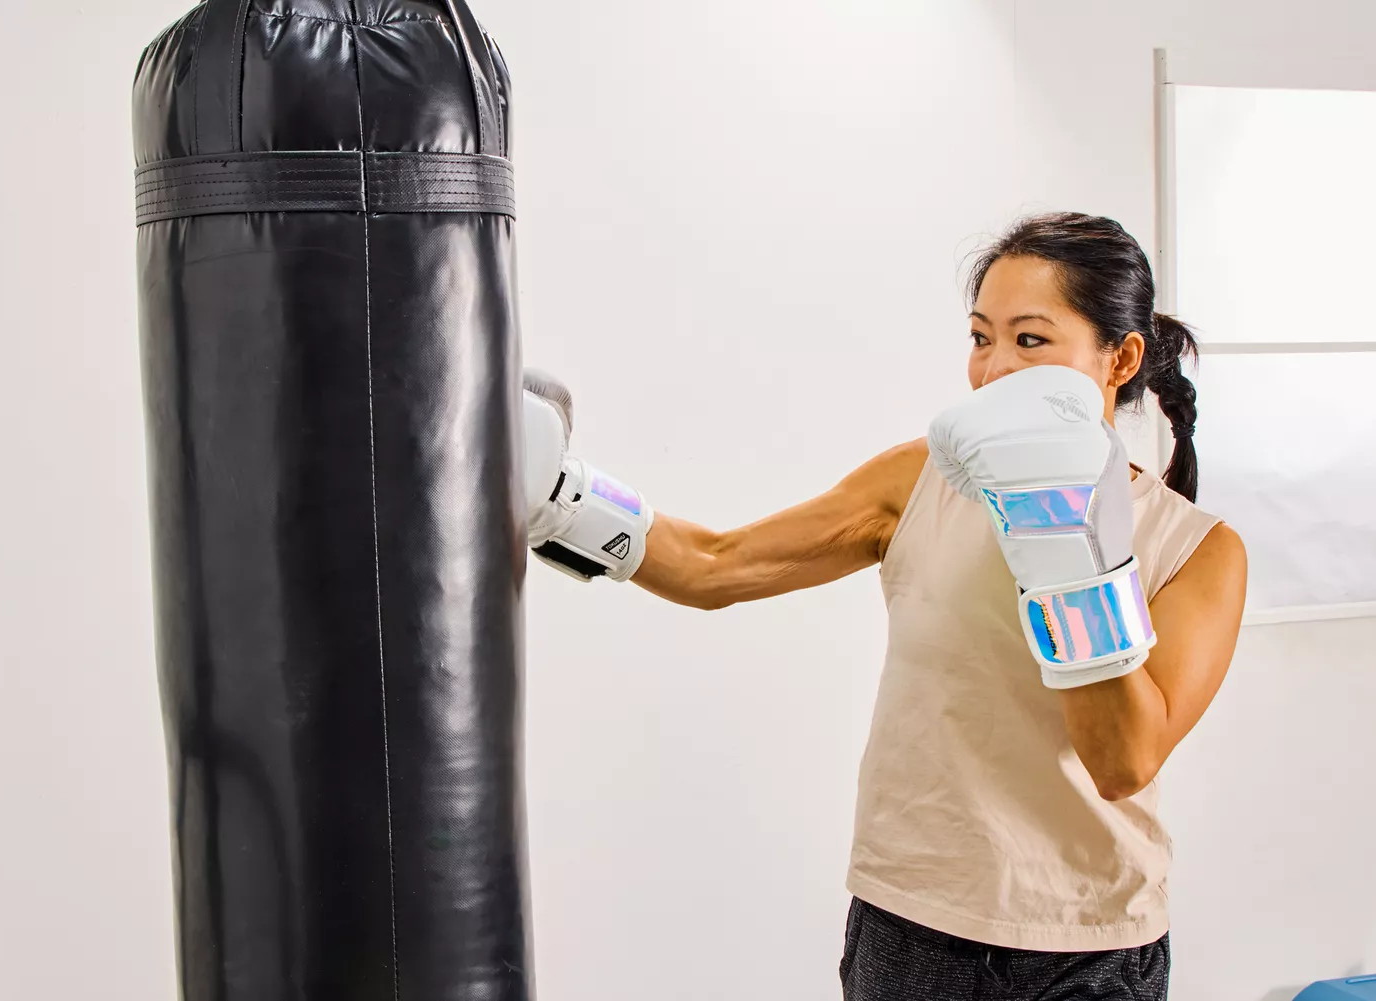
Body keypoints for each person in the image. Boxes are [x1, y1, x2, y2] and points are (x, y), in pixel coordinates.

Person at [522, 212, 1247, 1001]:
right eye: (980, 337)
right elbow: (715, 565)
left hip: (1089, 945)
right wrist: (560, 496)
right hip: (914, 920)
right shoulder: (922, 479)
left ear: (1121, 357)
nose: (995, 368)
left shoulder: (1198, 550)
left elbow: (1121, 760)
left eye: (1031, 341)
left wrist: (1061, 531)